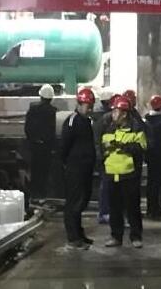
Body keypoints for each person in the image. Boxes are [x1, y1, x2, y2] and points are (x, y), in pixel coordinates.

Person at [101, 96, 147, 248]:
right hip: (111, 173)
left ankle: (136, 236)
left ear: (124, 114)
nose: (113, 114)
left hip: (129, 174)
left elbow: (142, 147)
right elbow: (102, 145)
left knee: (132, 207)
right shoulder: (108, 127)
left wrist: (123, 146)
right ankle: (116, 236)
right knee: (115, 208)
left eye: (116, 111)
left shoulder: (135, 128)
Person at [60, 87, 97, 249]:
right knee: (74, 202)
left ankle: (79, 234)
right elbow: (64, 146)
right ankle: (73, 238)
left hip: (85, 169)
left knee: (82, 200)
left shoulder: (87, 121)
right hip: (75, 169)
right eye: (88, 106)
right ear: (80, 104)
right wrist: (69, 164)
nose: (90, 109)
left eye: (91, 106)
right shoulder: (72, 121)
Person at [24, 83, 57, 203]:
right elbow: (53, 130)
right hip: (46, 147)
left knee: (35, 170)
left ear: (41, 96)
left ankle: (34, 194)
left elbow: (27, 127)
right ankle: (42, 195)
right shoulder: (53, 111)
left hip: (34, 145)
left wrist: (31, 139)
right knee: (44, 171)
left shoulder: (33, 108)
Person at [92, 90, 117, 224]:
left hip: (103, 155)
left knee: (106, 184)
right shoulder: (106, 119)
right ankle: (105, 212)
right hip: (107, 156)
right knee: (107, 184)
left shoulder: (96, 116)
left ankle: (105, 211)